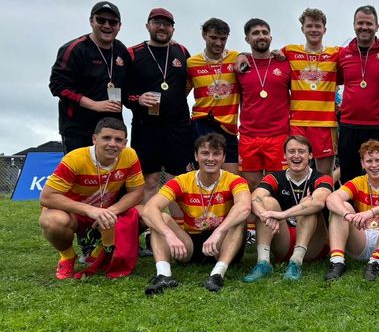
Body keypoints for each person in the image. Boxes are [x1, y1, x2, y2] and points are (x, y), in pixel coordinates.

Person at [142, 133, 251, 294]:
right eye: (205, 153)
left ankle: (217, 275)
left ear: (223, 157)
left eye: (216, 154)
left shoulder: (235, 180)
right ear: (196, 156)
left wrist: (219, 232)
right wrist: (169, 235)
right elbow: (148, 209)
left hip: (222, 243)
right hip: (190, 245)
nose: (210, 159)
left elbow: (245, 207)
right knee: (161, 217)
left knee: (239, 219)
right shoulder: (182, 181)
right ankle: (163, 275)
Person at [39, 117, 144, 280]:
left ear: (125, 143)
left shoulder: (129, 156)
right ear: (95, 139)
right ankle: (67, 257)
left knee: (144, 214)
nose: (113, 144)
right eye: (106, 138)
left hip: (106, 211)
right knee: (52, 221)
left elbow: (137, 193)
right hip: (74, 212)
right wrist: (90, 210)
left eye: (118, 140)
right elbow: (46, 197)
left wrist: (112, 211)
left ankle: (99, 251)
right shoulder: (75, 158)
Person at [242, 135, 334, 282]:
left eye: (301, 151)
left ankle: (296, 262)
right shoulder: (275, 177)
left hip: (313, 244)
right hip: (283, 241)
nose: (296, 155)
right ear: (284, 155)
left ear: (310, 155)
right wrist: (264, 213)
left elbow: (318, 203)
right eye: (291, 151)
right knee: (267, 202)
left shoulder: (322, 178)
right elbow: (255, 197)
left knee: (308, 204)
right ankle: (263, 263)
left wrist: (282, 215)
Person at [125, 8, 193, 203]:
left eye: (167, 24)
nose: (162, 27)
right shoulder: (133, 53)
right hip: (146, 127)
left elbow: (190, 81)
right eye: (157, 23)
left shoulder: (181, 51)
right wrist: (138, 99)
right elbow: (121, 89)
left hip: (178, 127)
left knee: (178, 181)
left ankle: (177, 222)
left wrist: (175, 98)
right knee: (150, 180)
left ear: (173, 29)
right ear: (148, 26)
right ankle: (148, 221)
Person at [50, 1, 133, 152]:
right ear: (91, 21)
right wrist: (94, 104)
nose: (107, 26)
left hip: (112, 129)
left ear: (119, 26)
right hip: (78, 129)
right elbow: (58, 85)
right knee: (80, 167)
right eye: (101, 20)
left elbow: (129, 85)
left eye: (112, 22)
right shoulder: (75, 49)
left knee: (111, 168)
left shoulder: (121, 50)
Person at [324, 140, 379, 282]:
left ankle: (375, 262)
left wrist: (371, 212)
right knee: (342, 207)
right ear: (362, 164)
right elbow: (331, 199)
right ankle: (337, 261)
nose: (374, 165)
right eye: (369, 161)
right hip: (362, 239)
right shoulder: (358, 182)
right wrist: (347, 214)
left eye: (378, 160)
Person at [337, 6, 379, 183]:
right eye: (360, 23)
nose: (364, 27)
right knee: (349, 179)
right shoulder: (343, 54)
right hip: (348, 126)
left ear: (377, 26)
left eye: (369, 23)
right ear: (354, 25)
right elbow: (334, 80)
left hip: (377, 126)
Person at [283, 8, 341, 176]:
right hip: (298, 123)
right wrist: (243, 55)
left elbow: (357, 50)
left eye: (318, 26)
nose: (314, 30)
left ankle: (323, 195)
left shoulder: (336, 53)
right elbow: (265, 58)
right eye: (309, 26)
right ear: (302, 28)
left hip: (325, 124)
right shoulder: (289, 51)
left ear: (324, 29)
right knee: (296, 172)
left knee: (324, 174)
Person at [236, 18, 292, 188]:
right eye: (255, 33)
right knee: (252, 184)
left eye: (265, 32)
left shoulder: (285, 63)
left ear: (270, 37)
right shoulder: (240, 66)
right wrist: (240, 55)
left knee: (278, 184)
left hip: (279, 135)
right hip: (249, 136)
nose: (261, 36)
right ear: (247, 39)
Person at [187, 18, 242, 174]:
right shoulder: (191, 63)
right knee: (205, 175)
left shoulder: (236, 58)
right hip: (201, 123)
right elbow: (181, 93)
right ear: (204, 35)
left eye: (223, 39)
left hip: (228, 127)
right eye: (213, 37)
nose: (218, 43)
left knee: (232, 177)